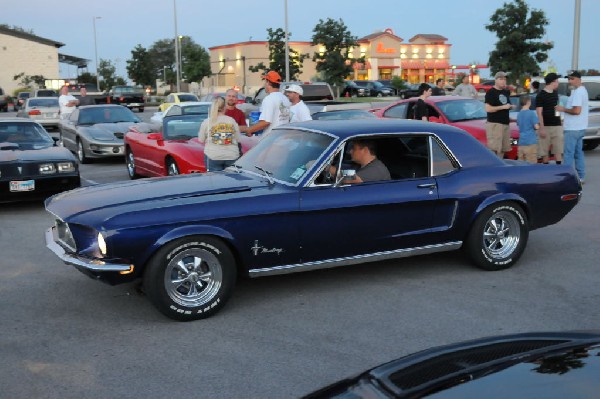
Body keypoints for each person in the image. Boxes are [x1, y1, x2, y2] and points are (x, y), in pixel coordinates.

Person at [556, 70, 588, 183]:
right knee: (578, 153)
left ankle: (566, 178)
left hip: (573, 128)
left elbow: (577, 111)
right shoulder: (580, 91)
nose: (570, 81)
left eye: (572, 78)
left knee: (568, 154)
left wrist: (562, 109)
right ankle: (581, 176)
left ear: (579, 79)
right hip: (580, 127)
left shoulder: (578, 92)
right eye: (569, 78)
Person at [198, 96, 243, 172]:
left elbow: (201, 140)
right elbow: (238, 139)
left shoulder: (207, 122)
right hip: (231, 155)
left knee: (215, 182)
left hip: (213, 156)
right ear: (225, 107)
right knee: (231, 182)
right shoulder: (231, 120)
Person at [240, 70, 290, 137]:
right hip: (282, 137)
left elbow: (266, 122)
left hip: (271, 139)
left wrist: (249, 130)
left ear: (268, 82)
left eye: (265, 81)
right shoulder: (285, 99)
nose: (264, 84)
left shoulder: (269, 99)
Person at [535, 72, 563, 164]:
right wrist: (542, 128)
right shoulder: (540, 95)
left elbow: (557, 108)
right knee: (544, 151)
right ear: (553, 82)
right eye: (557, 81)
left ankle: (559, 169)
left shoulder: (555, 93)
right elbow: (539, 112)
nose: (558, 83)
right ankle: (546, 170)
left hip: (557, 125)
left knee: (558, 149)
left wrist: (560, 121)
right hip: (546, 126)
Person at [484, 71, 514, 158]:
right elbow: (488, 109)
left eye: (505, 79)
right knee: (495, 149)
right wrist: (503, 107)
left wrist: (510, 107)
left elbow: (505, 106)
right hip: (495, 124)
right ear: (496, 80)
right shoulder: (491, 92)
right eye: (501, 79)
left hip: (505, 124)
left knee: (503, 149)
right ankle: (493, 169)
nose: (503, 81)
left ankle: (501, 167)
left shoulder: (506, 92)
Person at [516, 95, 540, 164]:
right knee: (532, 162)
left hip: (521, 142)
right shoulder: (531, 113)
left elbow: (519, 124)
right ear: (528, 102)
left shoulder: (519, 114)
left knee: (521, 163)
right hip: (530, 141)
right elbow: (536, 127)